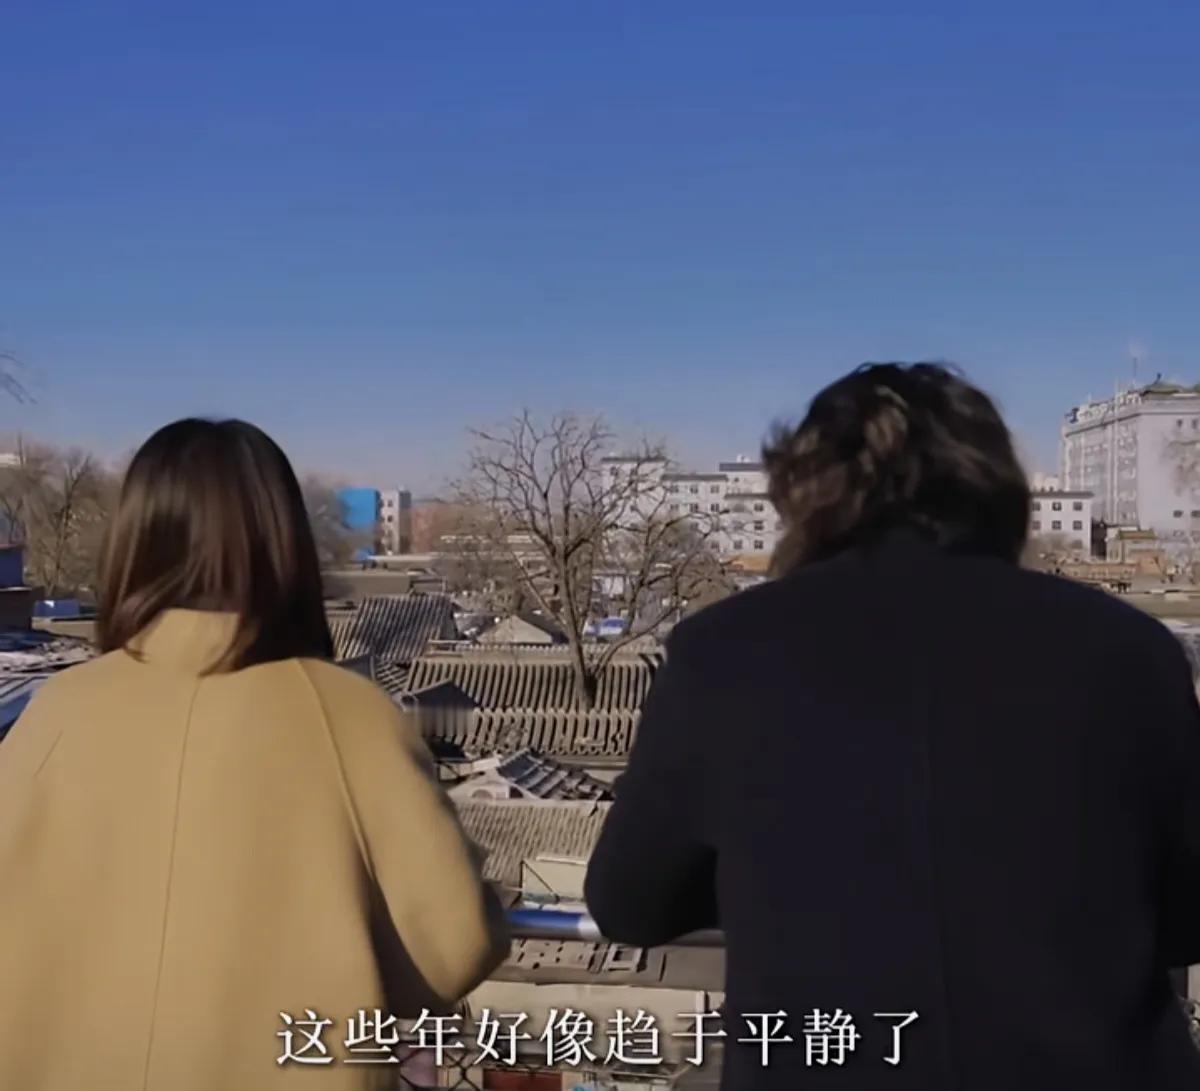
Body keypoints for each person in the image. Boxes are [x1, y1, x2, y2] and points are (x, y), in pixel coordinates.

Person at [585, 363, 1200, 1090]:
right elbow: (1186, 915)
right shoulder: (1129, 649)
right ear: (998, 492)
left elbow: (629, 903)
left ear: (804, 495)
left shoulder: (722, 653)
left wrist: (784, 875)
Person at [0, 419, 508, 1091]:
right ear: (285, 543)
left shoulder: (56, 711)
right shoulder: (347, 715)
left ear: (131, 544)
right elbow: (454, 942)